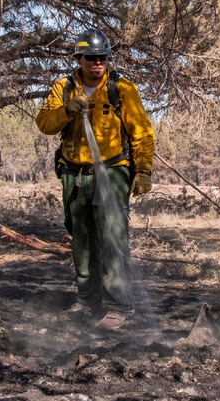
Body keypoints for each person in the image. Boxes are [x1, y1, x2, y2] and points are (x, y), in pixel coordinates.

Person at [36, 28, 155, 331]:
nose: (98, 63)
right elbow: (45, 124)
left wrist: (142, 171)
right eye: (92, 58)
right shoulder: (63, 87)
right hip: (74, 174)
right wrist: (66, 110)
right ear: (79, 58)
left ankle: (118, 305)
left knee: (113, 237)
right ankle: (86, 300)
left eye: (103, 57)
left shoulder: (122, 89)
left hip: (113, 171)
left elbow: (141, 132)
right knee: (82, 240)